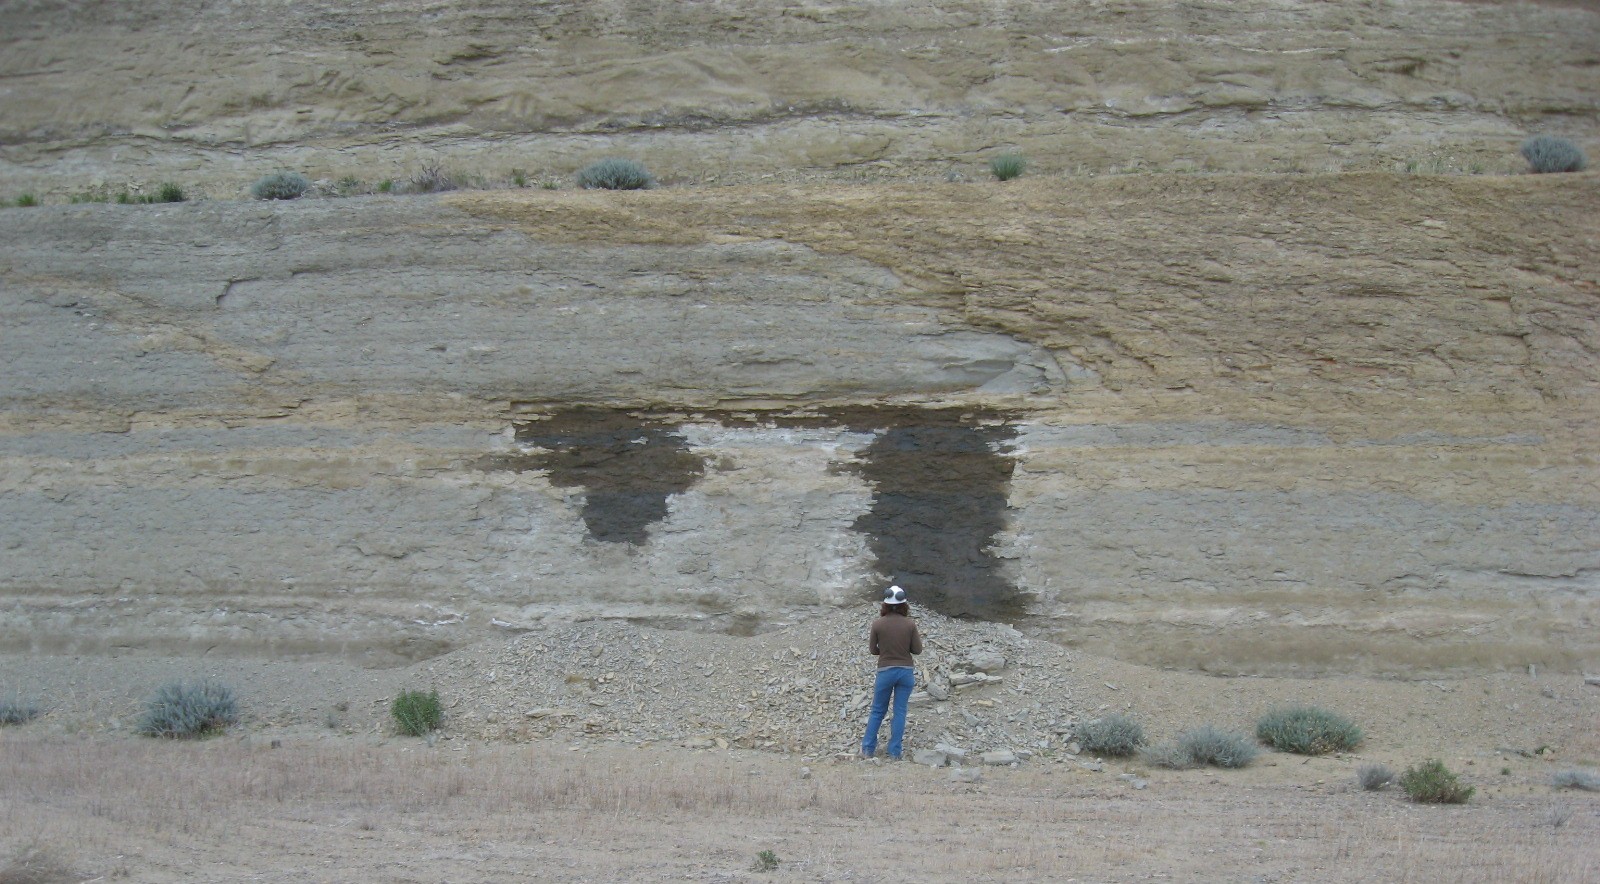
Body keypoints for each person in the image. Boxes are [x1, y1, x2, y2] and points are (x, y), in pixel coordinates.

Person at [861, 584, 922, 760]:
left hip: (885, 671)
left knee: (878, 710)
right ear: (904, 604)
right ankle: (895, 752)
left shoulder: (878, 624)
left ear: (885, 604)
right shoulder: (910, 625)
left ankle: (867, 749)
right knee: (900, 711)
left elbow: (873, 650)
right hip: (906, 672)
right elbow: (917, 650)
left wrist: (887, 651)